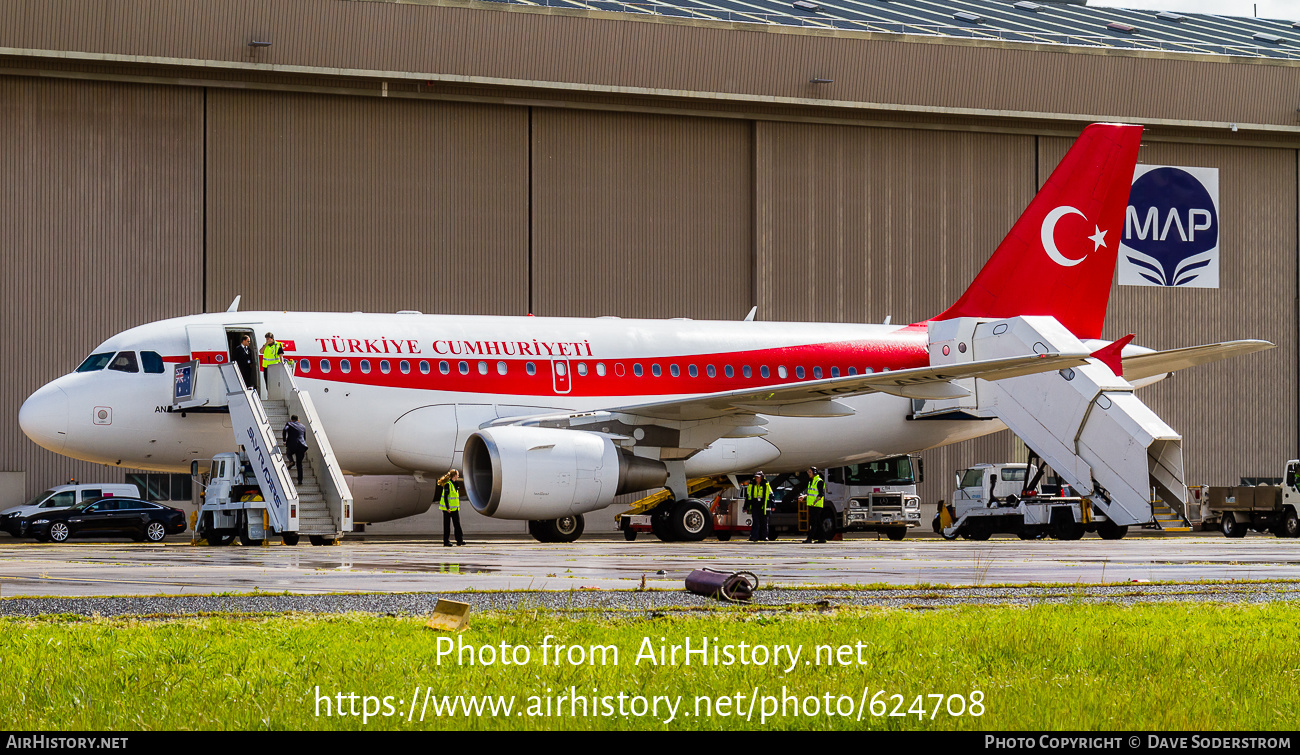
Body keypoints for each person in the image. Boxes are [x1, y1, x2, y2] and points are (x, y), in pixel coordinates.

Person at [437, 469, 466, 547]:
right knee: (447, 526)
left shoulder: (456, 484)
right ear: (454, 475)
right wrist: (447, 508)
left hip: (455, 508)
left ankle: (460, 540)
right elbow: (446, 497)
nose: (458, 476)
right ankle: (446, 541)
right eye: (457, 475)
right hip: (448, 509)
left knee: (457, 525)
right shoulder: (447, 484)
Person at [801, 466, 828, 544]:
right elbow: (810, 493)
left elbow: (821, 494)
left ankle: (810, 538)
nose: (808, 474)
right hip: (812, 505)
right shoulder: (811, 481)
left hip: (816, 505)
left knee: (814, 523)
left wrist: (815, 501)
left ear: (814, 473)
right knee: (817, 522)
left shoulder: (819, 481)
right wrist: (804, 496)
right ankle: (822, 538)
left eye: (810, 472)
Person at [745, 472, 773, 542]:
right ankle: (754, 537)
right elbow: (748, 496)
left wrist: (773, 505)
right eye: (756, 477)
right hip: (755, 505)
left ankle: (764, 536)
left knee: (764, 522)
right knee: (755, 522)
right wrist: (746, 507)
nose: (756, 478)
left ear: (761, 477)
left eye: (758, 477)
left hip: (764, 505)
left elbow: (771, 495)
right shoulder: (752, 485)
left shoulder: (766, 485)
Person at [282, 415, 308, 485]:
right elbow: (304, 438)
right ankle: (300, 480)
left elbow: (285, 430)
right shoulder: (303, 426)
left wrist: (284, 440)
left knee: (288, 453)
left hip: (292, 445)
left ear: (291, 420)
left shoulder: (289, 424)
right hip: (302, 446)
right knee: (299, 464)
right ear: (298, 420)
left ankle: (291, 461)